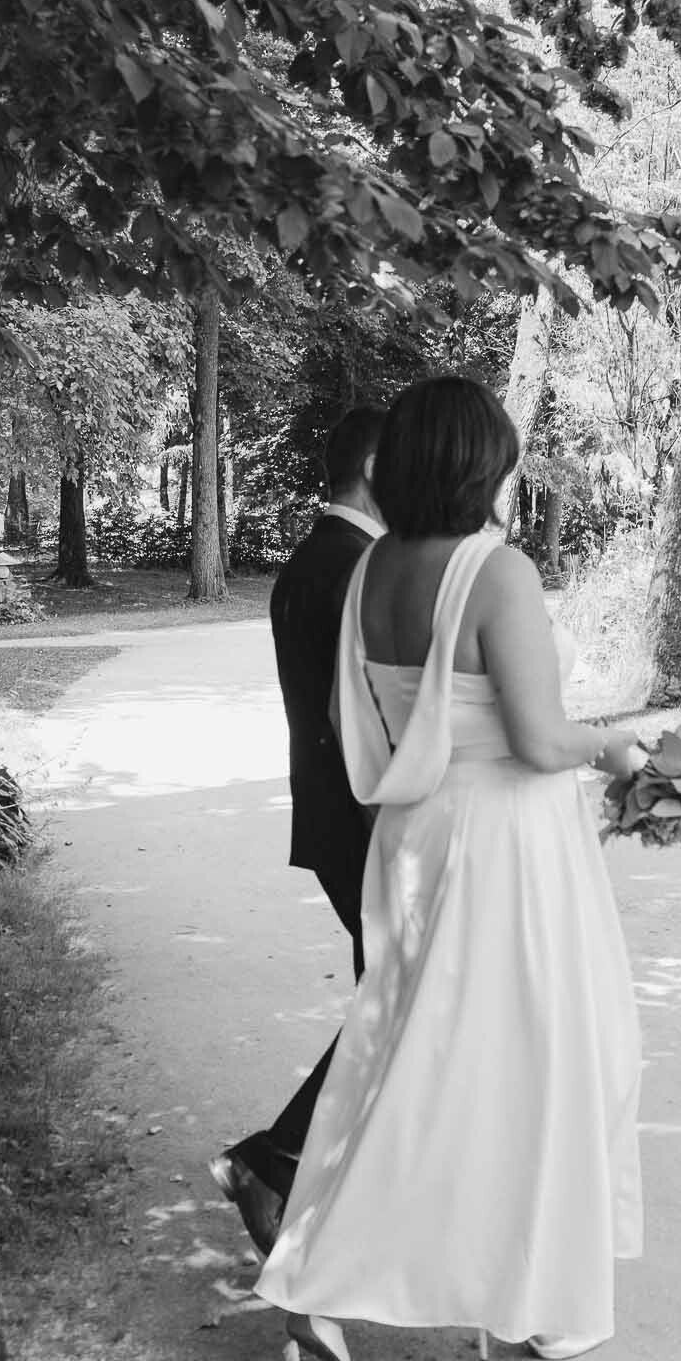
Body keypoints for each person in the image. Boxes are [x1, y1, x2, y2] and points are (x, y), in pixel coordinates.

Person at [254, 375, 645, 1361]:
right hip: (504, 839)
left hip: (414, 831)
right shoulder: (496, 571)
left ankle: (319, 1276)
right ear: (481, 462)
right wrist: (622, 750)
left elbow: (352, 719)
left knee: (408, 1052)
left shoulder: (374, 568)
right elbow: (541, 738)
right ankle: (534, 1296)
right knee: (536, 1056)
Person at [209, 405, 387, 1256]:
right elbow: (363, 716)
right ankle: (274, 1162)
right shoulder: (350, 566)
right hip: (362, 821)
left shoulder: (323, 557)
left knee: (395, 996)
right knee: (402, 1001)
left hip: (337, 817)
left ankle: (322, 1175)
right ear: (377, 467)